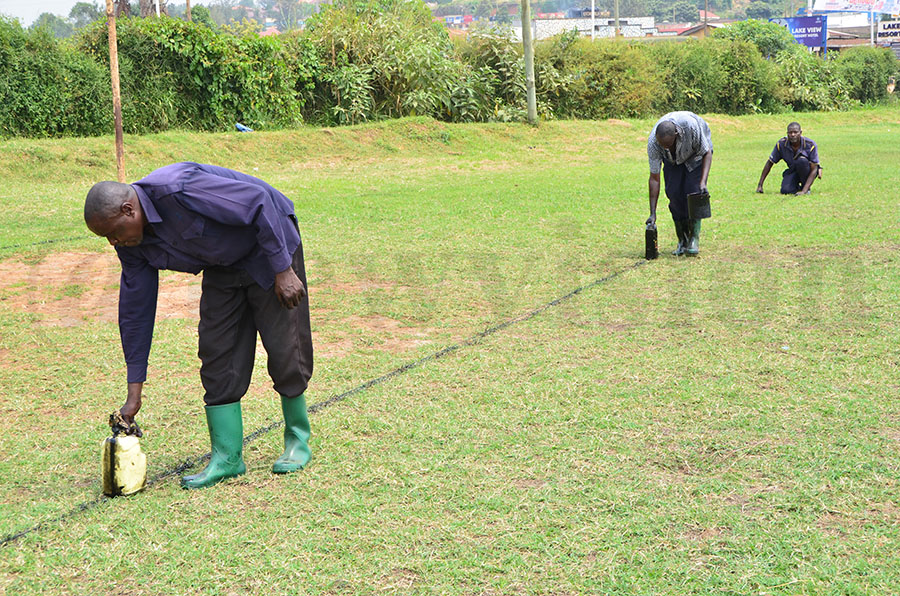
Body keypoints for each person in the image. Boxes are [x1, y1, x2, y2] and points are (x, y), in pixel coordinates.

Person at [84, 162, 314, 489]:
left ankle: (297, 440)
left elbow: (259, 200)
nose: (112, 243)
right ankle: (227, 457)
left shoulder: (179, 188)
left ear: (128, 209)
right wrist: (134, 393)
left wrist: (282, 269)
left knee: (284, 345)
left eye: (112, 232)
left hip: (268, 246)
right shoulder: (133, 244)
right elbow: (136, 311)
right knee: (217, 349)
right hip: (222, 264)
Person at [646, 111, 713, 256]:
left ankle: (694, 239)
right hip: (672, 161)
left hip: (695, 154)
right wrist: (652, 213)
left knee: (694, 192)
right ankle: (682, 241)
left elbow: (707, 152)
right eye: (662, 146)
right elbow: (654, 178)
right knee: (674, 194)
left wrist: (703, 182)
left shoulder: (691, 127)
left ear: (676, 134)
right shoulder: (654, 143)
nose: (666, 148)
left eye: (669, 145)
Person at [756, 122, 820, 195]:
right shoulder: (781, 144)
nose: (793, 135)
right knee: (785, 190)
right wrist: (760, 185)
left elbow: (814, 169)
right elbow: (770, 163)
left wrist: (804, 191)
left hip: (807, 172)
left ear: (800, 133)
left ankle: (805, 187)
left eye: (795, 132)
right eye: (790, 132)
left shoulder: (810, 145)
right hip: (793, 170)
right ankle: (796, 187)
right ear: (787, 133)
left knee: (802, 161)